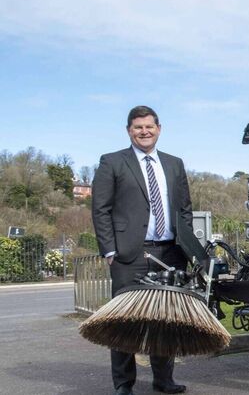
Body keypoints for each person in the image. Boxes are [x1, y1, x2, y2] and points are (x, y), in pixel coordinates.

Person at [92, 106, 192, 395]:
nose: (144, 131)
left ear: (159, 128)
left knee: (166, 320)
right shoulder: (112, 162)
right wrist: (109, 250)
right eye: (138, 127)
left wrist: (185, 247)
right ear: (129, 131)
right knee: (125, 321)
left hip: (170, 254)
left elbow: (184, 209)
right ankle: (124, 384)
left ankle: (164, 379)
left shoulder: (174, 164)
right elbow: (101, 209)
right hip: (129, 255)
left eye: (149, 126)